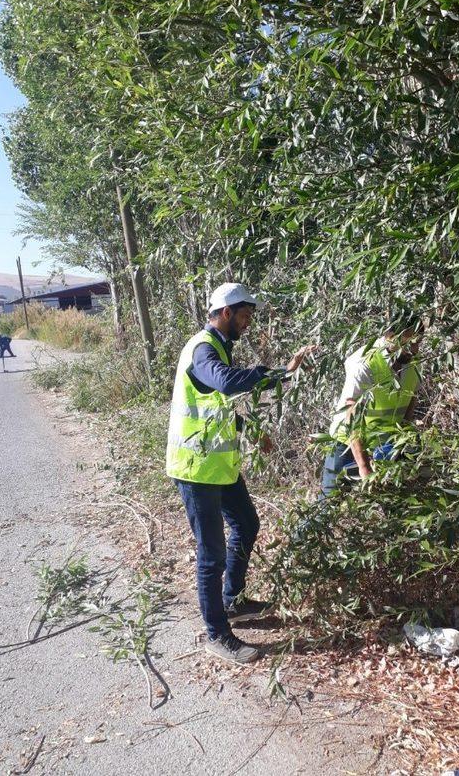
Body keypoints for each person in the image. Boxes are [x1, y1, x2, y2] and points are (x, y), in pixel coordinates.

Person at [166, 282, 315, 665]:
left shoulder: (220, 347)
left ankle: (233, 601)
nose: (248, 324)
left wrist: (254, 431)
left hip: (220, 466)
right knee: (211, 553)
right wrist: (279, 372)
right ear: (227, 312)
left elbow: (218, 405)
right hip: (197, 468)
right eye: (245, 316)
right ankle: (217, 633)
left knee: (247, 524)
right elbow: (225, 382)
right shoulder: (203, 348)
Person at [321, 307, 424, 496]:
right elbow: (351, 414)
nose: (415, 348)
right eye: (410, 342)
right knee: (330, 500)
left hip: (385, 445)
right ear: (391, 336)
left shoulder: (412, 361)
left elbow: (410, 403)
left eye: (419, 342)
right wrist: (363, 466)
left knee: (393, 498)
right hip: (347, 443)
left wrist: (404, 444)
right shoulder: (365, 362)